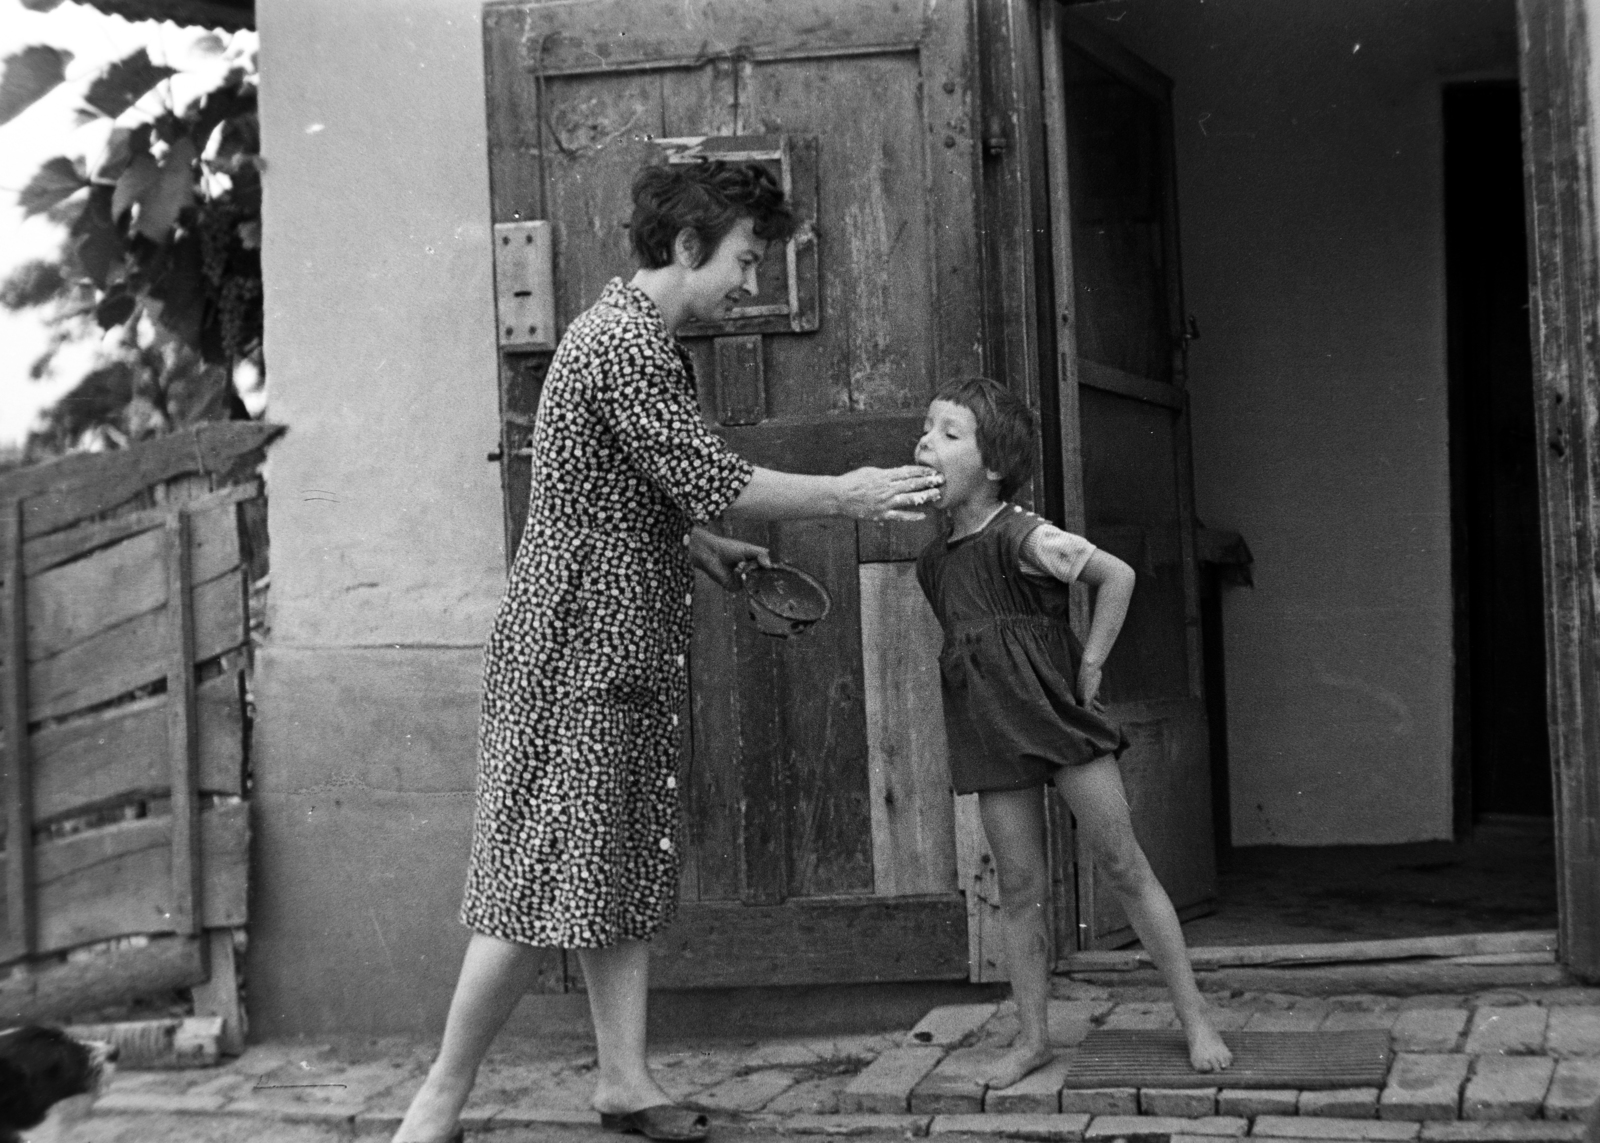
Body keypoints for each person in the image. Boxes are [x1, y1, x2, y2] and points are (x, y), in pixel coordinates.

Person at [392, 161, 943, 1143]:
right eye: (741, 259)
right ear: (688, 249)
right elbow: (712, 475)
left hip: (612, 643)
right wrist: (850, 495)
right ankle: (437, 1102)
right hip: (577, 654)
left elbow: (635, 488)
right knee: (539, 878)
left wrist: (699, 546)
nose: (746, 281)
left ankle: (625, 1084)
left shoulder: (630, 339)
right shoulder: (624, 349)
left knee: (612, 865)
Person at [913, 377, 1231, 1089]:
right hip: (992, 733)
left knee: (1124, 864)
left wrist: (1089, 663)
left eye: (947, 433)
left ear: (993, 465)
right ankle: (1032, 1038)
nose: (925, 443)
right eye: (925, 430)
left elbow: (1115, 576)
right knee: (1020, 886)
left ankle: (1195, 1015)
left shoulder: (1024, 533)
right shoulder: (933, 562)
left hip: (1058, 722)